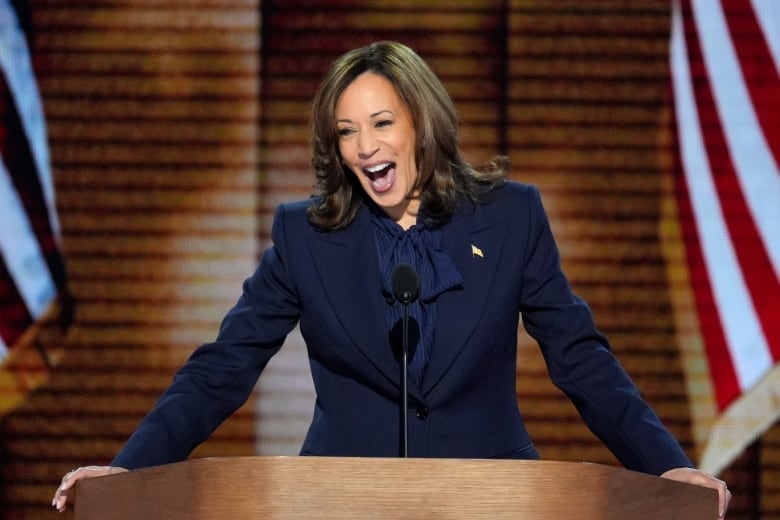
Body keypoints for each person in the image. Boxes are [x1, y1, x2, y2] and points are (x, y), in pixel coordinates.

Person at [52, 41, 731, 517]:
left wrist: (665, 465)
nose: (366, 148)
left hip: (495, 501)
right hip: (337, 502)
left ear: (422, 123)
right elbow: (224, 366)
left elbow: (580, 356)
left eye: (381, 124)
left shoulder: (511, 216)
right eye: (347, 132)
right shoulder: (304, 234)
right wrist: (128, 469)